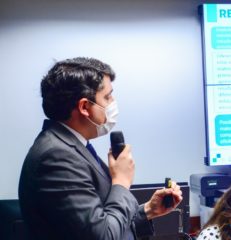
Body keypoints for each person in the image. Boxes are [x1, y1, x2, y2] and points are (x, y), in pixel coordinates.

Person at [18, 57, 183, 240]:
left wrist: (148, 211)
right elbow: (102, 235)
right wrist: (121, 182)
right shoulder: (56, 157)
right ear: (84, 107)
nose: (113, 102)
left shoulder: (73, 146)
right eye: (107, 97)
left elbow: (101, 222)